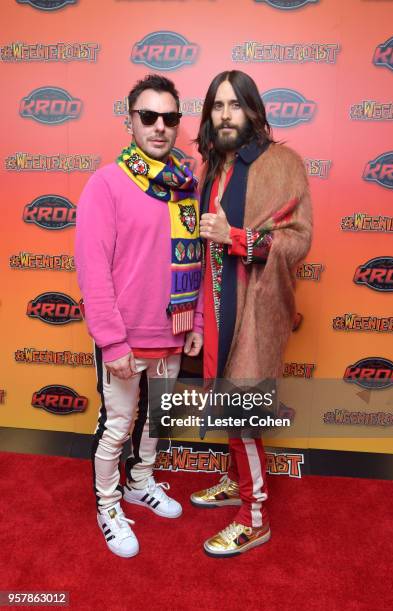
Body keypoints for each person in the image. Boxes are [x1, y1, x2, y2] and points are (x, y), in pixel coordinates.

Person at [75, 74, 203, 558]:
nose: (160, 127)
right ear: (130, 121)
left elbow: (196, 263)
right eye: (148, 116)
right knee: (118, 424)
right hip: (126, 336)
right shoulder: (106, 183)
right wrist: (111, 341)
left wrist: (197, 325)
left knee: (155, 421)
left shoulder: (184, 185)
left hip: (172, 330)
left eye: (170, 118)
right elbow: (93, 269)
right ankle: (108, 505)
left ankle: (140, 482)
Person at [190, 70, 312, 557]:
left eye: (234, 105)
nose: (224, 115)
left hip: (256, 308)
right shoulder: (212, 168)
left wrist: (236, 238)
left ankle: (254, 517)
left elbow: (299, 240)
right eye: (217, 106)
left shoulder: (283, 163)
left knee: (242, 410)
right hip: (216, 308)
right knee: (227, 399)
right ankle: (234, 479)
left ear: (254, 111)